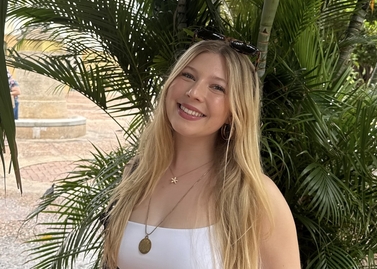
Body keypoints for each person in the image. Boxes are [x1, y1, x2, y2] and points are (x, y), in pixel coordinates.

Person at [102, 34, 301, 269]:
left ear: (234, 111)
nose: (194, 92)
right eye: (188, 75)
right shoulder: (137, 173)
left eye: (217, 87)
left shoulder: (255, 195)